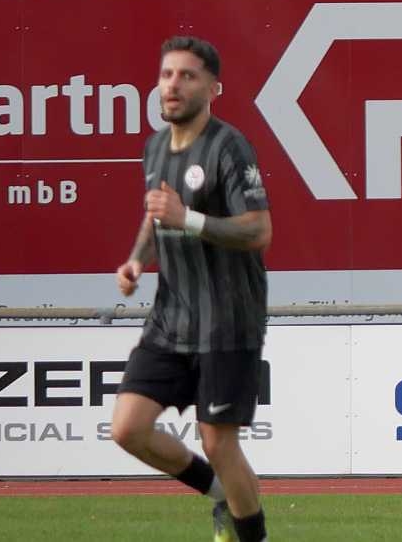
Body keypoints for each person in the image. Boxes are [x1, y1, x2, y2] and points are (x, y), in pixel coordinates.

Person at [109, 36, 273, 542]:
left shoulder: (229, 146)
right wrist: (137, 260)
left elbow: (258, 230)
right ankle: (219, 494)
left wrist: (190, 219)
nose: (173, 85)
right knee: (128, 428)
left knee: (219, 443)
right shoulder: (155, 147)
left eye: (187, 75)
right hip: (170, 319)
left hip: (227, 321)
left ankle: (252, 535)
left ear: (213, 88)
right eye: (166, 75)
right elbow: (157, 213)